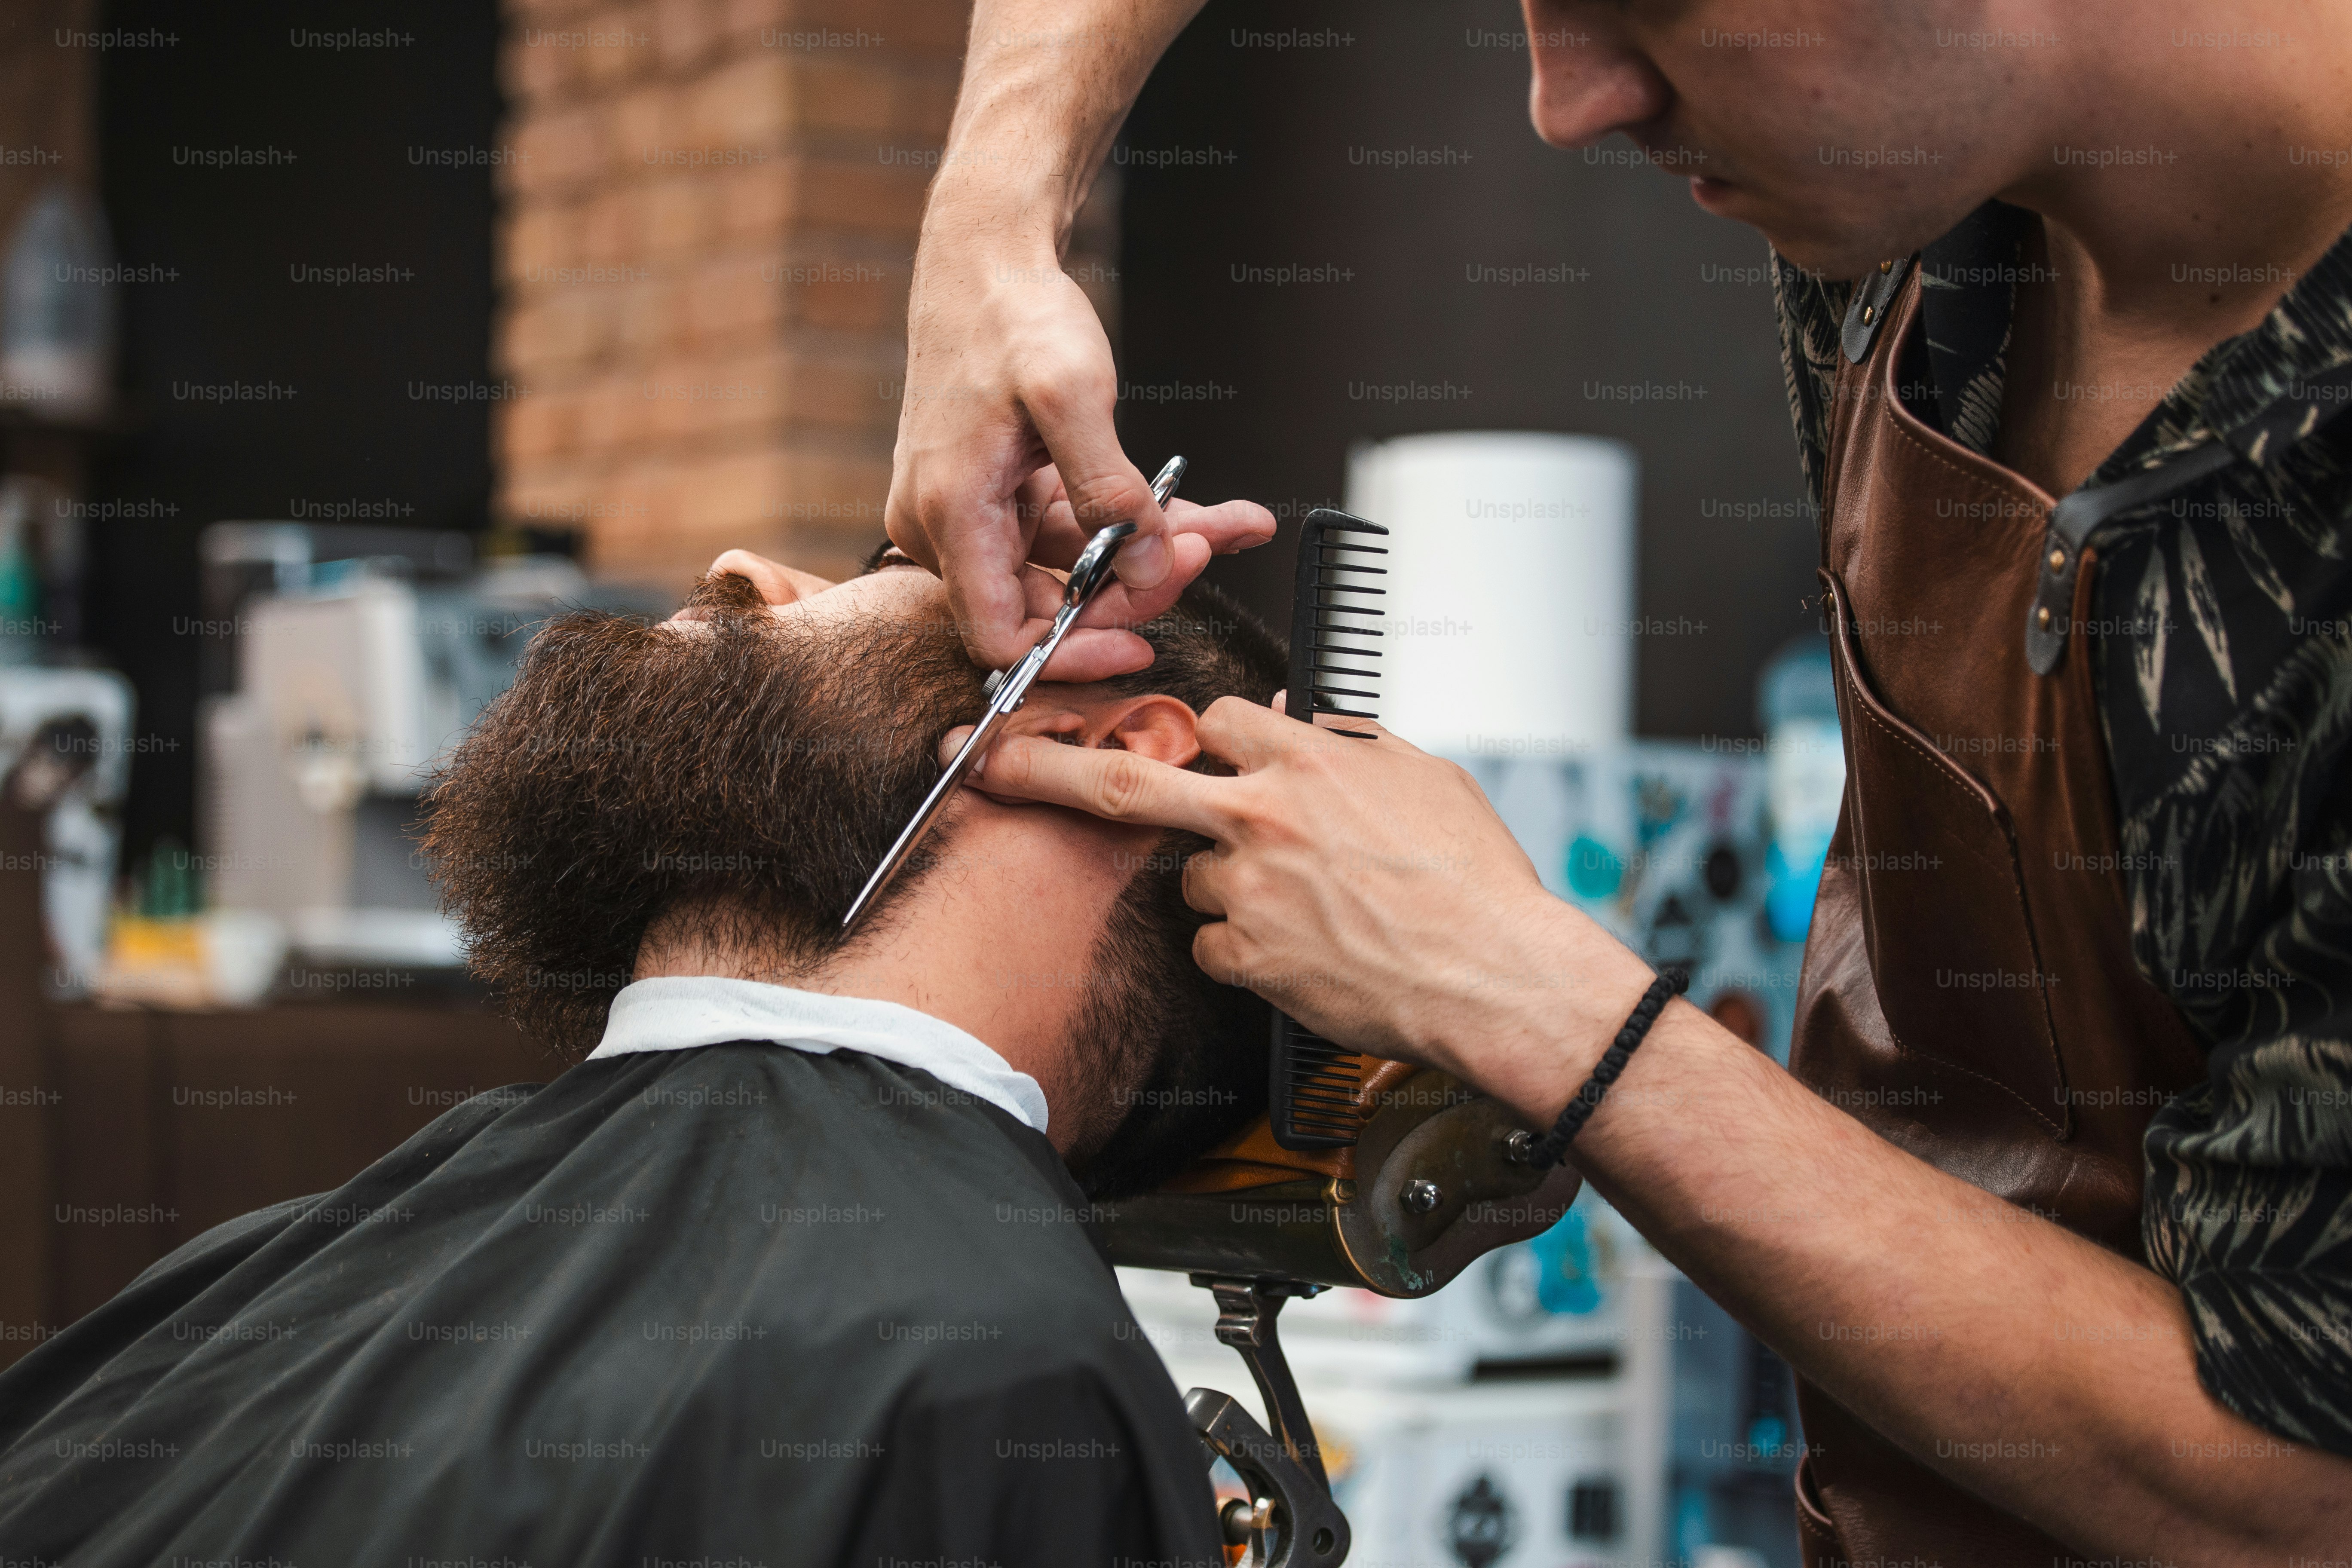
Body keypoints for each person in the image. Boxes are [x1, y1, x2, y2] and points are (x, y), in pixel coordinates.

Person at [868, 0, 2352, 1560]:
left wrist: (1542, 1003)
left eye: (1639, 3)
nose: (1566, 105)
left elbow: (2303, 1493)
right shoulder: (1900, 191)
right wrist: (990, 216)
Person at [0, 554, 1290, 1567]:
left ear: (1114, 760)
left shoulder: (996, 1387)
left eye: (888, 567)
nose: (738, 569)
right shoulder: (260, 1264)